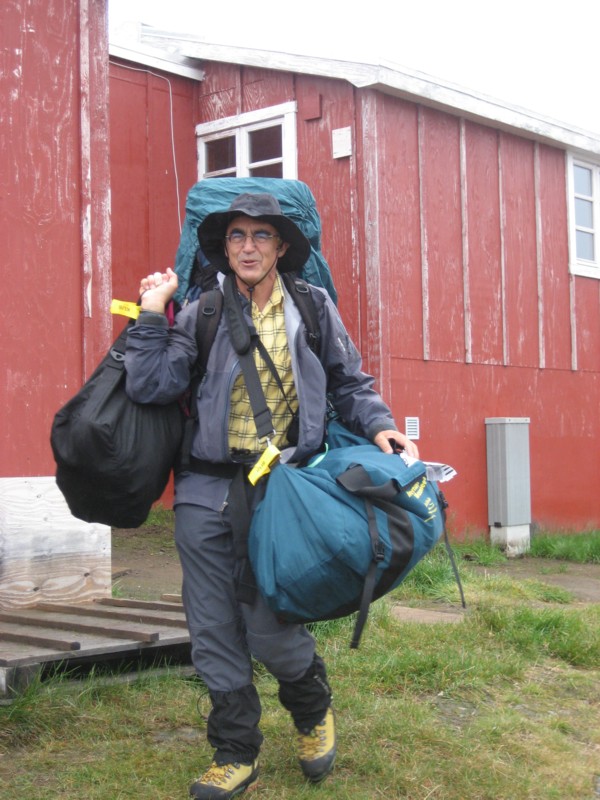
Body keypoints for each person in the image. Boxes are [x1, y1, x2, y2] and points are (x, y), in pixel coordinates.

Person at [125, 192, 419, 799]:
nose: (249, 246)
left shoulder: (311, 306)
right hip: (205, 486)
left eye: (262, 235)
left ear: (282, 247)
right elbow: (153, 384)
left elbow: (349, 381)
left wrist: (380, 425)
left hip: (280, 488)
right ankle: (235, 752)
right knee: (212, 624)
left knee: (269, 622)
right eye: (237, 236)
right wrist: (152, 313)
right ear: (224, 247)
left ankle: (311, 711)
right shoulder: (203, 310)